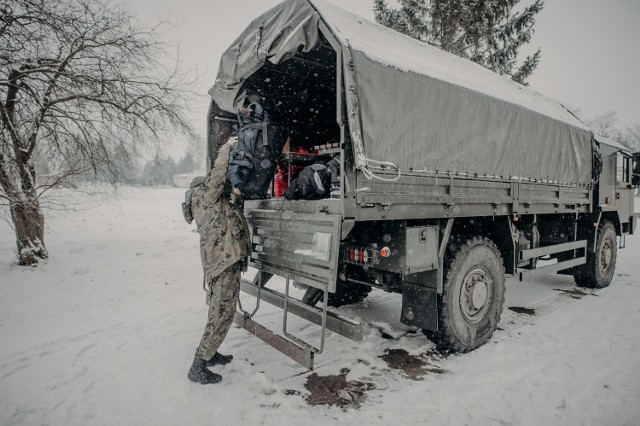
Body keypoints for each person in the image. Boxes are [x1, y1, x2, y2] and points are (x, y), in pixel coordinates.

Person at [187, 137, 251, 385]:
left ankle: (210, 354)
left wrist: (235, 196)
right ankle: (198, 366)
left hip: (224, 264)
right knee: (222, 314)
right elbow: (219, 172)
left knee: (219, 311)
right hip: (222, 265)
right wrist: (227, 147)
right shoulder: (204, 196)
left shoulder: (213, 205)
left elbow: (228, 217)